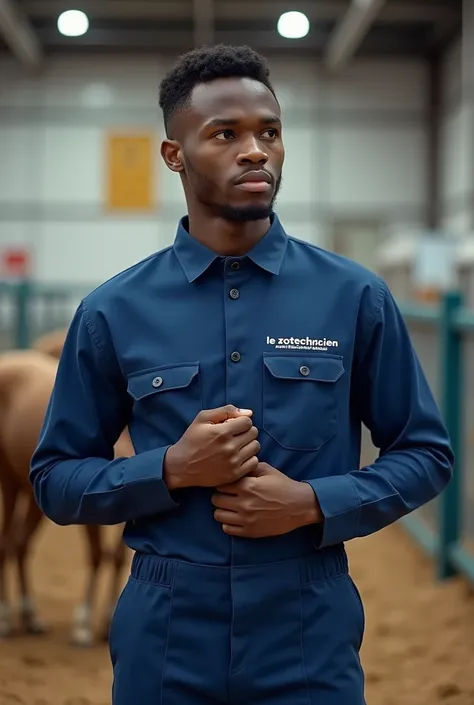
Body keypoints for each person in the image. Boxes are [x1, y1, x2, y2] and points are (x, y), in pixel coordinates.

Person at [30, 44, 454, 705]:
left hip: (308, 622)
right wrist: (170, 468)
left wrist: (312, 504)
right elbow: (56, 480)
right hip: (166, 628)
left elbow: (427, 453)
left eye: (270, 132)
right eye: (225, 133)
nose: (255, 150)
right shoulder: (114, 310)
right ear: (175, 155)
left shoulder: (355, 298)